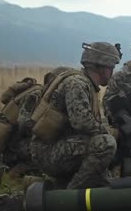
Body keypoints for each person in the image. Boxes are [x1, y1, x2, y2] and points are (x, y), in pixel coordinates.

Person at [30, 42, 120, 189]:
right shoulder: (77, 84)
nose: (112, 72)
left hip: (60, 147)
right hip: (48, 152)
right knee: (106, 144)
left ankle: (61, 185)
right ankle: (71, 193)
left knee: (104, 181)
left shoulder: (86, 84)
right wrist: (111, 133)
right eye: (111, 67)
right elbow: (82, 122)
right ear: (101, 67)